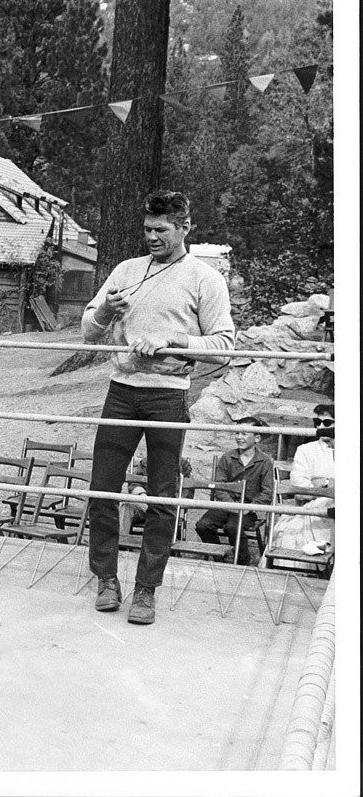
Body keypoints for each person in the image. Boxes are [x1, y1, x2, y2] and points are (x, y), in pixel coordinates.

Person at [81, 189, 235, 625]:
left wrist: (175, 340)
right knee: (103, 488)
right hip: (121, 390)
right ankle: (106, 579)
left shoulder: (205, 278)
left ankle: (146, 589)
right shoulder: (127, 270)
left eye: (161, 230)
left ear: (185, 227)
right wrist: (104, 313)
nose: (151, 237)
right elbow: (88, 332)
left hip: (168, 394)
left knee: (162, 495)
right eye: (147, 229)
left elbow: (224, 345)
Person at [194, 418, 274, 565]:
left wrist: (248, 508)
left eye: (244, 434)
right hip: (226, 505)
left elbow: (267, 492)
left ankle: (243, 561)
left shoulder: (264, 462)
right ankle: (221, 557)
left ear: (257, 438)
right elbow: (219, 486)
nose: (239, 437)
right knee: (203, 525)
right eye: (237, 433)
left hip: (248, 508)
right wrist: (231, 505)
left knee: (232, 527)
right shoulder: (228, 458)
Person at [270, 403, 335, 562]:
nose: (320, 427)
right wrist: (328, 484)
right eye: (317, 423)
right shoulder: (306, 450)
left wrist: (318, 483)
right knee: (293, 533)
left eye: (327, 423)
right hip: (313, 507)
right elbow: (300, 488)